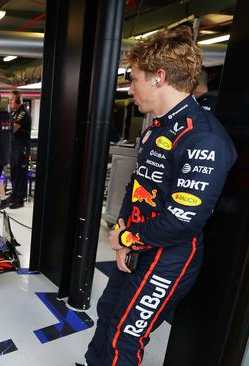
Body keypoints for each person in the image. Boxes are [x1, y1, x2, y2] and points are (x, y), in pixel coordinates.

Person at [83, 27, 236, 366]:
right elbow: (138, 184)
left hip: (167, 258)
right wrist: (125, 238)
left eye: (134, 78)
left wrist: (126, 237)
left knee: (126, 336)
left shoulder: (203, 139)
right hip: (137, 245)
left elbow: (182, 221)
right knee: (108, 312)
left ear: (159, 77)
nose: (129, 87)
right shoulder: (160, 126)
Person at [1, 91, 32, 209]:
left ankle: (20, 199)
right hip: (14, 147)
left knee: (20, 173)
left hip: (21, 148)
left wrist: (3, 128)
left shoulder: (23, 113)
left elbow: (13, 129)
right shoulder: (15, 113)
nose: (10, 102)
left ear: (18, 100)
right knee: (14, 172)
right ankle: (14, 195)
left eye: (12, 100)